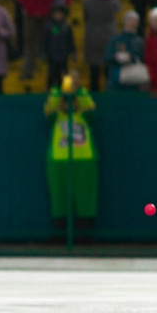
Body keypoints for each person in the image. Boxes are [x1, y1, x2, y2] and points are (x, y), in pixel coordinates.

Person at [44, 74, 98, 237]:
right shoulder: (56, 117)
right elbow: (49, 109)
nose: (69, 104)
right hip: (59, 160)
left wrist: (78, 90)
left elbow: (90, 107)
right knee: (60, 197)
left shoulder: (84, 117)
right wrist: (57, 91)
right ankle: (61, 233)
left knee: (85, 197)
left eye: (72, 100)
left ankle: (84, 232)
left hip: (84, 159)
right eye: (66, 101)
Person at [83, 0, 121, 91]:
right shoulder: (114, 2)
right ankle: (109, 97)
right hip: (109, 35)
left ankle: (94, 98)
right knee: (109, 70)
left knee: (94, 72)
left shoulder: (87, 2)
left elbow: (86, 17)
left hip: (92, 36)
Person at [104, 10, 146, 91]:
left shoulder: (139, 41)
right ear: (124, 22)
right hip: (115, 81)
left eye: (134, 21)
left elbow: (143, 58)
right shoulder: (115, 39)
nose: (132, 23)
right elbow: (107, 57)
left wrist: (131, 58)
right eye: (129, 20)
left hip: (133, 80)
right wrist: (116, 57)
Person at [44, 5, 76, 89]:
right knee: (52, 74)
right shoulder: (48, 26)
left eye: (60, 13)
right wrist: (43, 53)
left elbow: (71, 41)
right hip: (52, 55)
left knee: (65, 75)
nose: (58, 15)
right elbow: (45, 41)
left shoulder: (67, 27)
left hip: (64, 55)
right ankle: (50, 93)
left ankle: (66, 92)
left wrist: (73, 52)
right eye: (56, 13)